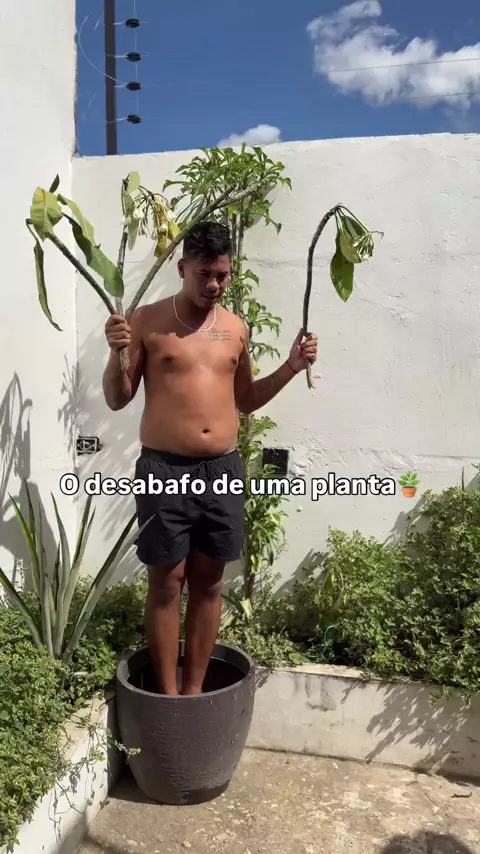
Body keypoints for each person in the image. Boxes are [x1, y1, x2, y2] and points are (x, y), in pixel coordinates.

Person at [102, 221, 318, 696]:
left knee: (209, 583)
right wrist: (116, 353)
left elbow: (247, 399)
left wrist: (291, 366)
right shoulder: (148, 322)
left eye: (222, 275)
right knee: (167, 583)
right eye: (204, 274)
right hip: (164, 468)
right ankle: (168, 697)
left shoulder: (235, 328)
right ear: (182, 269)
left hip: (222, 470)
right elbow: (118, 399)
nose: (214, 285)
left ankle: (194, 693)